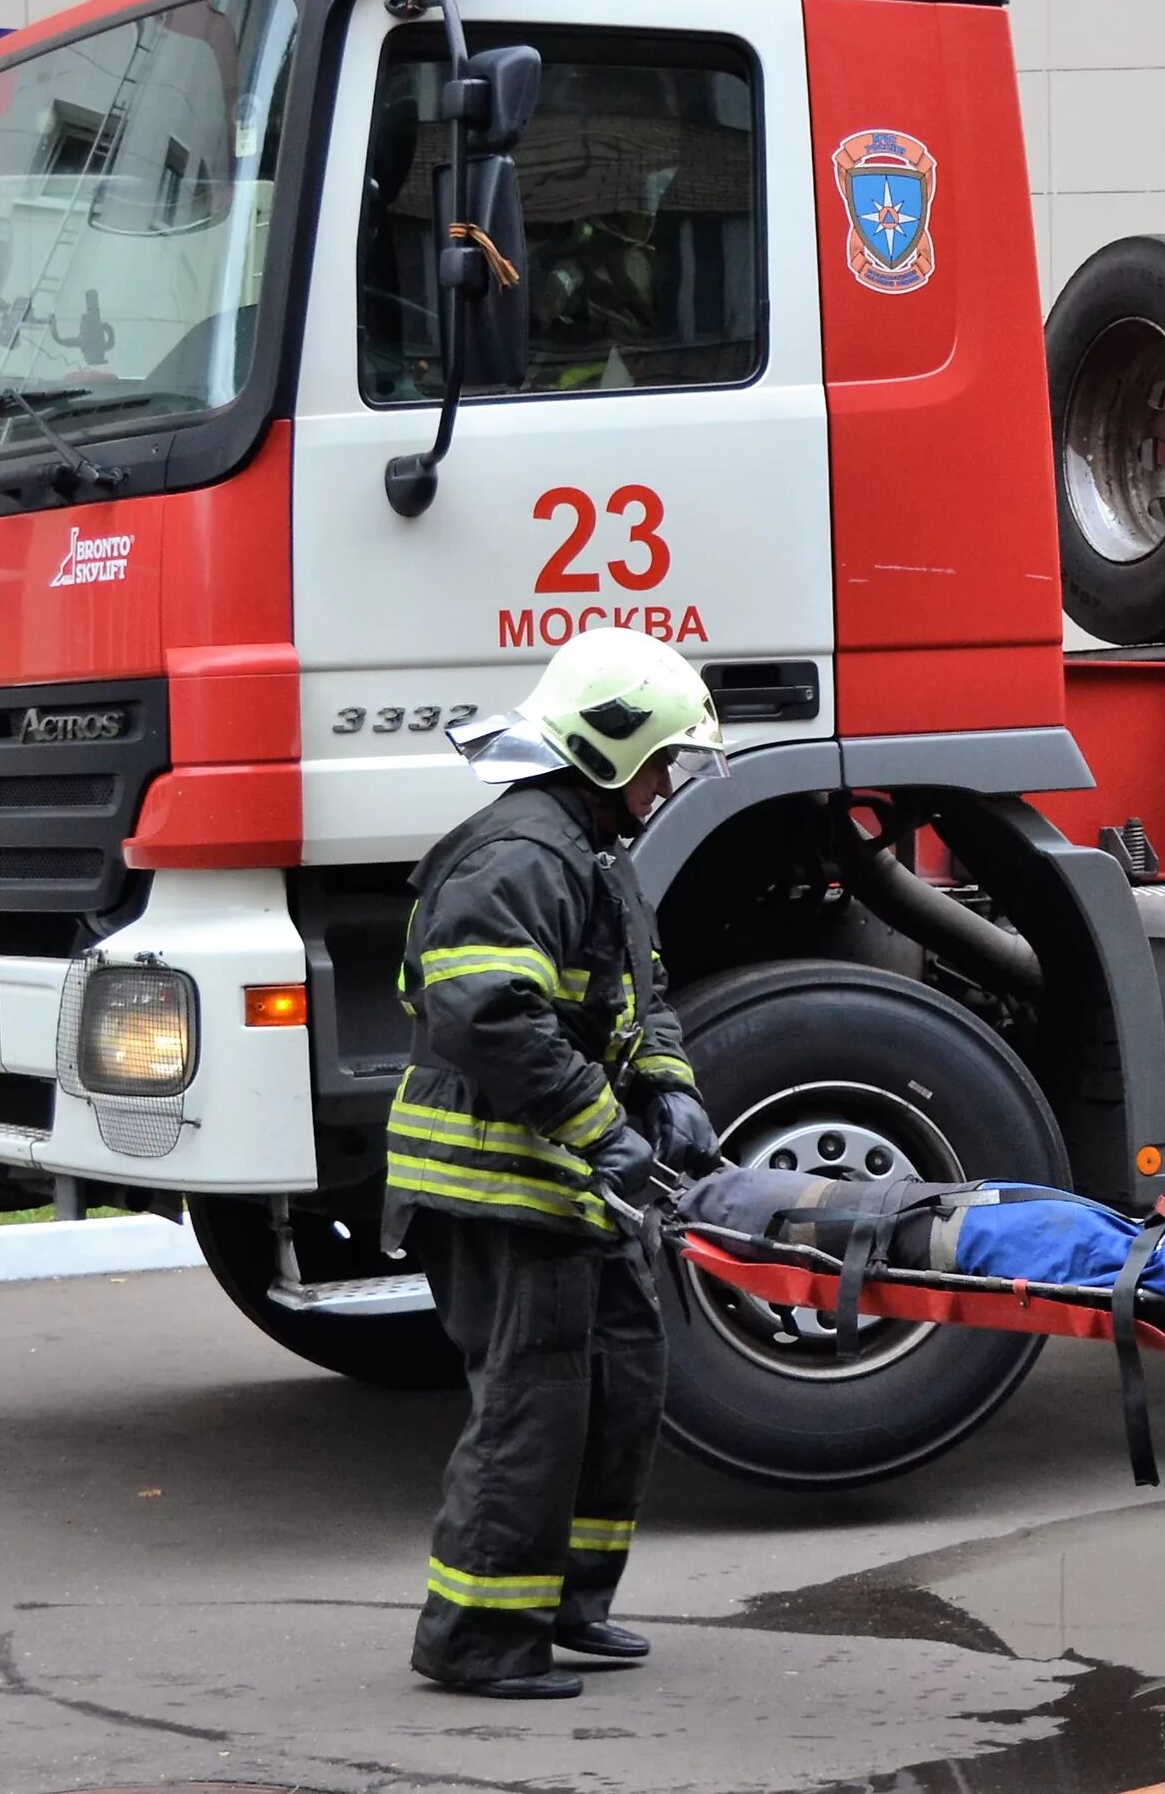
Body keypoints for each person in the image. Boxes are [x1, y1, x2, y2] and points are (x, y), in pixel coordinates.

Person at [389, 628, 731, 1701]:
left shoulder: (588, 851)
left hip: (564, 1179)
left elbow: (639, 991)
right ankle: (478, 1635)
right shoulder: (521, 855)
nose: (670, 780)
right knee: (533, 1406)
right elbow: (487, 1012)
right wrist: (603, 1125)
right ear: (611, 753)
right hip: (497, 1182)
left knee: (621, 1380)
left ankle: (564, 1597)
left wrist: (670, 1085)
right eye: (663, 760)